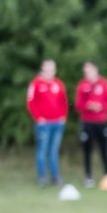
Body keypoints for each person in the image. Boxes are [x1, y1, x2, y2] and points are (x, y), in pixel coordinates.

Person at [26, 59, 68, 187]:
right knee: (42, 151)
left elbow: (64, 101)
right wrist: (38, 117)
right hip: (43, 124)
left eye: (52, 69)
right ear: (42, 69)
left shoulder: (58, 83)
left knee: (54, 151)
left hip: (58, 123)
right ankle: (42, 177)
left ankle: (55, 177)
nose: (50, 72)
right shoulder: (36, 83)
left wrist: (63, 116)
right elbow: (30, 102)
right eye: (47, 69)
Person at [74, 61, 107, 188]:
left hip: (102, 122)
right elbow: (78, 104)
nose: (87, 73)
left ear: (95, 69)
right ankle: (88, 176)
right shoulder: (82, 85)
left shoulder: (104, 83)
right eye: (85, 71)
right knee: (87, 150)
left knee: (105, 149)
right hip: (87, 122)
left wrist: (100, 106)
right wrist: (88, 106)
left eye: (89, 70)